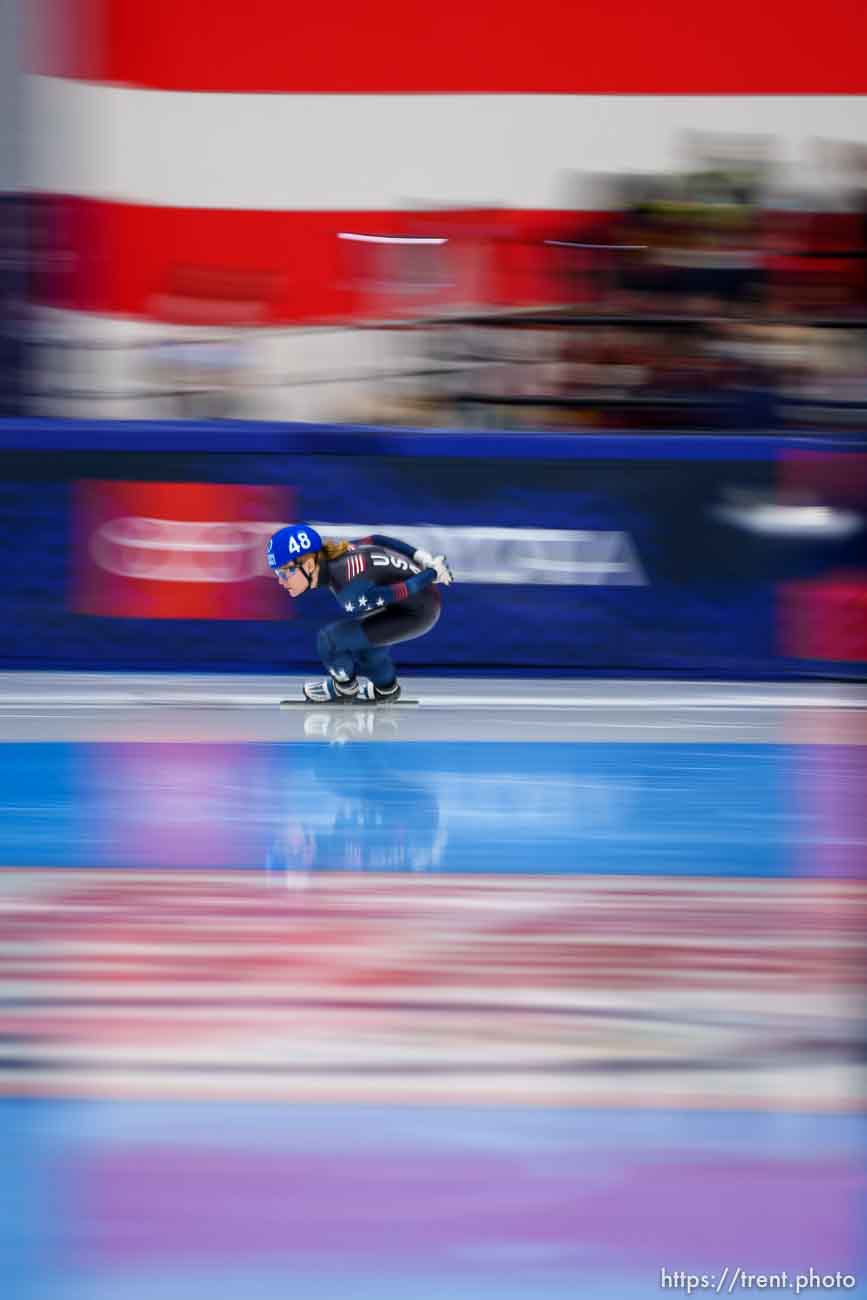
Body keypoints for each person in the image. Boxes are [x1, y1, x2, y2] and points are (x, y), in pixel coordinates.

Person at [267, 523, 453, 703]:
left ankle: (344, 688)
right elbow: (377, 538)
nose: (281, 581)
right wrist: (420, 556)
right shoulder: (341, 551)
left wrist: (432, 573)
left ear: (308, 566)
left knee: (330, 640)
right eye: (277, 574)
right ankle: (386, 688)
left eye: (284, 573)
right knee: (367, 648)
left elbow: (404, 589)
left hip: (418, 611)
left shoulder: (349, 589)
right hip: (416, 601)